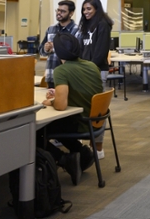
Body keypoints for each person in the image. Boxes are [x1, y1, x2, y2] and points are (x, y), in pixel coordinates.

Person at [39, 32, 103, 186]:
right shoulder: (91, 65)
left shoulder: (62, 70)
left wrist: (51, 102)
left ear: (58, 51)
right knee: (56, 124)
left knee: (38, 132)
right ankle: (83, 153)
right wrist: (59, 94)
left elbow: (61, 106)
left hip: (80, 122)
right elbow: (81, 89)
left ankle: (65, 160)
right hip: (95, 120)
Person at [77, 0, 113, 159]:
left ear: (97, 9)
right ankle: (83, 143)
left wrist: (88, 69)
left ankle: (98, 147)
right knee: (83, 106)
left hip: (97, 71)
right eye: (84, 9)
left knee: (98, 110)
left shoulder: (103, 25)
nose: (86, 12)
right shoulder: (84, 26)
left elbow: (100, 52)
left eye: (89, 9)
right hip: (84, 71)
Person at [39, 0, 79, 88]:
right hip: (51, 74)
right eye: (58, 10)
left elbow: (75, 53)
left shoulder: (76, 30)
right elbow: (41, 51)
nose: (59, 13)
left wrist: (54, 48)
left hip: (67, 75)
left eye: (63, 11)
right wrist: (45, 49)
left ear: (71, 13)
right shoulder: (51, 29)